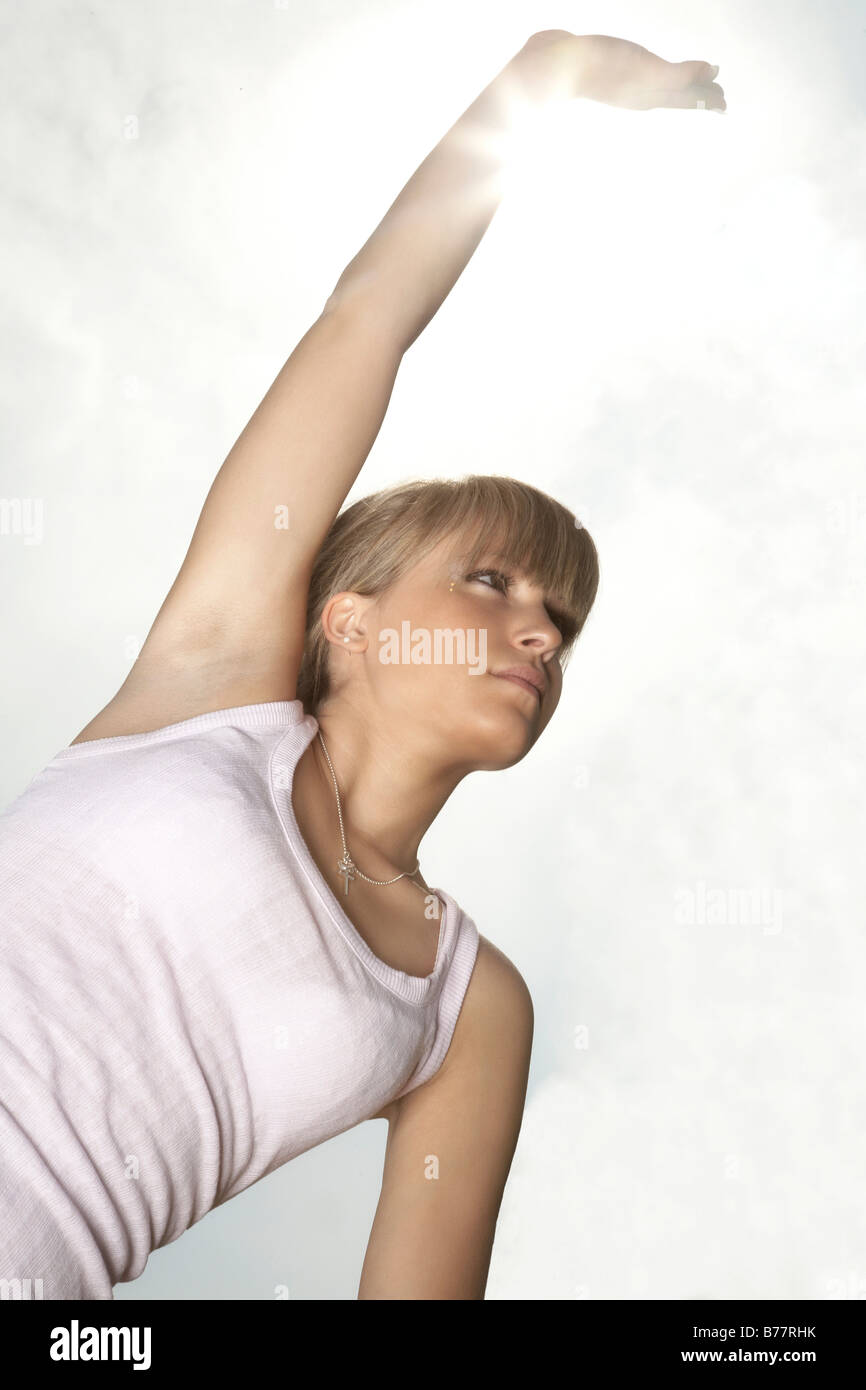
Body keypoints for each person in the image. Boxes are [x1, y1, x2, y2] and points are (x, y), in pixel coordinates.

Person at [0, 30, 724, 1301]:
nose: (538, 633)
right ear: (346, 616)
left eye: (559, 615)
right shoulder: (208, 685)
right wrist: (533, 85)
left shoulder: (467, 1007)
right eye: (489, 583)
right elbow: (365, 319)